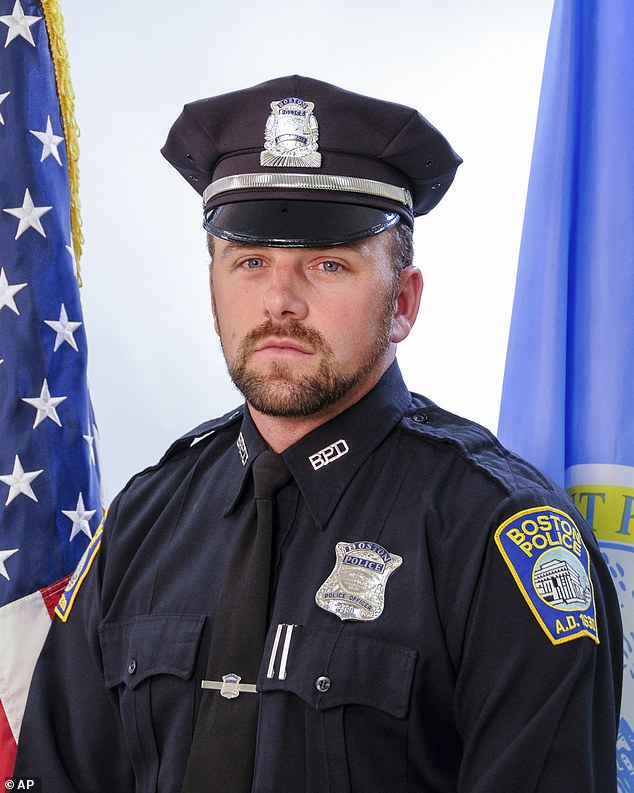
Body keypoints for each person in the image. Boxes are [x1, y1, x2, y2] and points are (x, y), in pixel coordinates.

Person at [15, 75, 622, 793]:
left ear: (403, 300)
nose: (280, 300)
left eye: (328, 264)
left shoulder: (498, 537)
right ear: (213, 290)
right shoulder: (141, 527)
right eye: (250, 262)